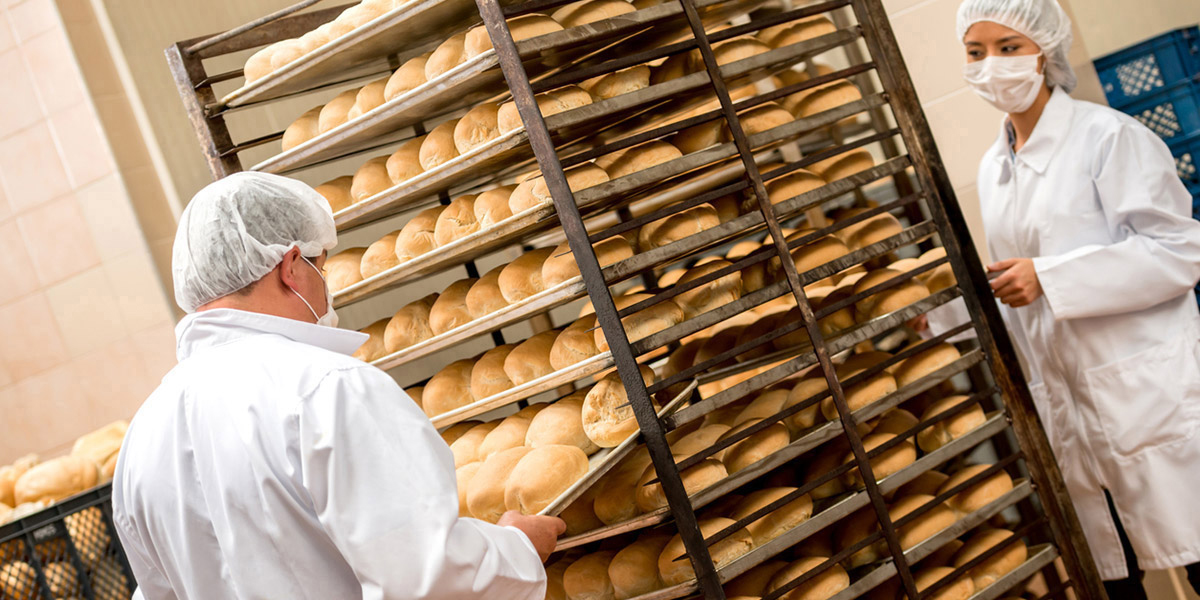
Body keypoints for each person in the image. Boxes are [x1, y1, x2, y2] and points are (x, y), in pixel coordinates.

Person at [111, 172, 564, 600]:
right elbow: (427, 578)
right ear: (291, 266)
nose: (325, 289)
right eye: (319, 267)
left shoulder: (144, 435)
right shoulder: (327, 388)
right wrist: (517, 549)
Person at [942, 0, 1200, 596]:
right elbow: (1021, 281)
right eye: (975, 53)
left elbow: (1177, 251)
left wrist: (1052, 277)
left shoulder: (1108, 137)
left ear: (1044, 51)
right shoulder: (993, 168)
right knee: (1117, 574)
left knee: (1193, 550)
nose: (991, 67)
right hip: (1070, 405)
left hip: (1143, 394)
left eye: (1008, 49)